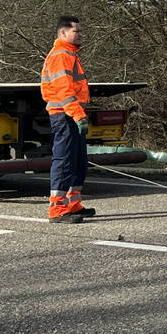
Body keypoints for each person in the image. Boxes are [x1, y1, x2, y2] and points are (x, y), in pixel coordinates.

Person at [40, 16, 94, 223]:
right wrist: (78, 115)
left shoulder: (70, 55)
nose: (80, 35)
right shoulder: (61, 55)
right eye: (76, 31)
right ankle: (58, 209)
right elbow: (65, 91)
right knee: (64, 161)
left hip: (71, 114)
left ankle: (73, 203)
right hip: (65, 115)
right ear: (63, 33)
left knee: (78, 161)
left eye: (80, 31)